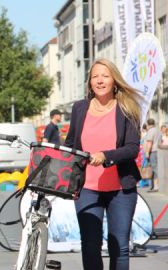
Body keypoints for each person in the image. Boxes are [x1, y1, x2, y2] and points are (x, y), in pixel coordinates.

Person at [64, 58, 141, 270]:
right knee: (90, 245)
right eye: (95, 76)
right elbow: (71, 144)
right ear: (89, 82)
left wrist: (106, 156)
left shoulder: (128, 108)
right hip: (86, 188)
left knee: (120, 248)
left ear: (114, 81)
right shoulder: (80, 108)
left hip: (121, 189)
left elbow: (132, 148)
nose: (100, 80)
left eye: (105, 76)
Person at [144, 119, 161, 192]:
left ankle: (157, 186)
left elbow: (149, 142)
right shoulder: (158, 130)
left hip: (153, 151)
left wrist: (147, 152)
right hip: (158, 150)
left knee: (154, 168)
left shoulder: (151, 131)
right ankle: (154, 186)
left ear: (148, 124)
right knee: (154, 169)